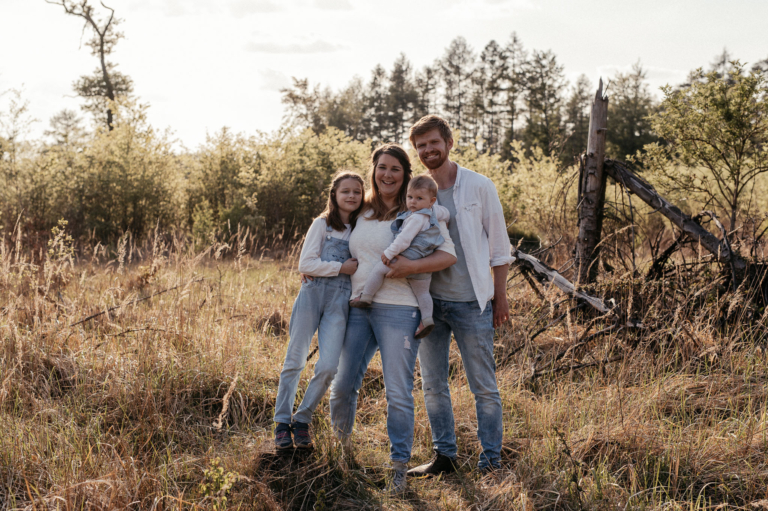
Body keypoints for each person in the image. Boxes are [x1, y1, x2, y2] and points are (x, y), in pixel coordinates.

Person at [327, 144, 457, 493]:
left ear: (406, 174)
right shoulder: (361, 209)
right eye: (382, 167)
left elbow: (448, 254)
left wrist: (411, 267)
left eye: (395, 169)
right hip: (359, 308)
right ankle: (340, 456)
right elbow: (331, 234)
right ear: (373, 170)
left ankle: (399, 470)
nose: (387, 174)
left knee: (398, 392)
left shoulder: (421, 210)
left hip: (400, 310)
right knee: (342, 386)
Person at [403, 115, 515, 476]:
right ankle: (444, 458)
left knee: (483, 385)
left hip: (473, 302)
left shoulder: (479, 186)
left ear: (449, 142)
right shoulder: (415, 191)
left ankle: (491, 460)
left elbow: (499, 246)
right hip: (428, 304)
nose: (427, 150)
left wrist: (501, 296)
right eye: (420, 146)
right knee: (433, 385)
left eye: (433, 142)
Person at [272, 171, 364, 450]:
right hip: (312, 295)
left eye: (357, 192)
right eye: (345, 191)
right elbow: (305, 264)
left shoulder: (361, 228)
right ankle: (281, 422)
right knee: (295, 360)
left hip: (340, 301)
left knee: (328, 367)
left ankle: (302, 419)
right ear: (334, 194)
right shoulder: (322, 224)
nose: (351, 196)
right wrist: (340, 268)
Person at [350, 174, 449, 339]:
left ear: (431, 201)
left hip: (407, 255)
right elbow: (446, 215)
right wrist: (439, 211)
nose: (413, 202)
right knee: (423, 293)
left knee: (378, 270)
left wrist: (388, 253)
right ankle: (426, 319)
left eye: (419, 198)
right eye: (410, 197)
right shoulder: (431, 214)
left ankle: (366, 296)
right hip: (423, 261)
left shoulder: (415, 218)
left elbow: (404, 239)